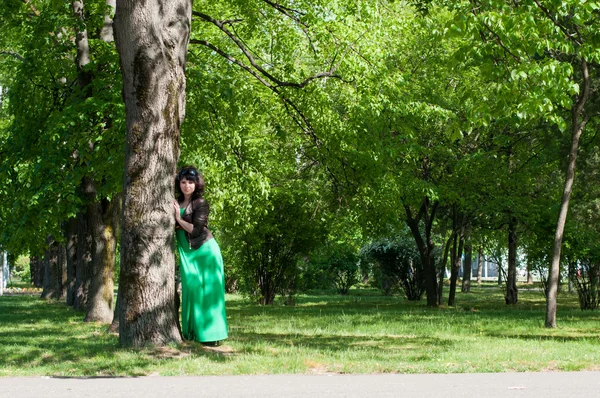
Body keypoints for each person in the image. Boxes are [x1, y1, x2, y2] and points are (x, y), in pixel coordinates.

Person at [172, 166, 228, 345]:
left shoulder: (200, 203)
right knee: (192, 289)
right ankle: (193, 332)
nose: (187, 185)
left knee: (208, 292)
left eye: (190, 182)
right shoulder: (174, 201)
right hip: (188, 253)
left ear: (196, 184)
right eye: (183, 182)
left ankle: (211, 336)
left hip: (205, 251)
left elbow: (196, 231)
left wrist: (178, 219)